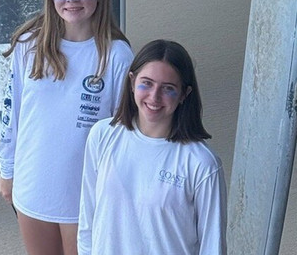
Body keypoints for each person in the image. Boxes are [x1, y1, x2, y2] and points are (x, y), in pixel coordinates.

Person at [0, 0, 132, 255]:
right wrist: (7, 170)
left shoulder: (117, 55)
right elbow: (11, 113)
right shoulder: (29, 44)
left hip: (85, 191)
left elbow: (124, 133)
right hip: (33, 183)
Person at [78, 39, 227, 255]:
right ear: (132, 82)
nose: (154, 97)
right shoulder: (102, 135)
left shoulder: (202, 164)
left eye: (168, 88)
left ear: (184, 94)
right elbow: (87, 220)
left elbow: (213, 246)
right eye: (146, 83)